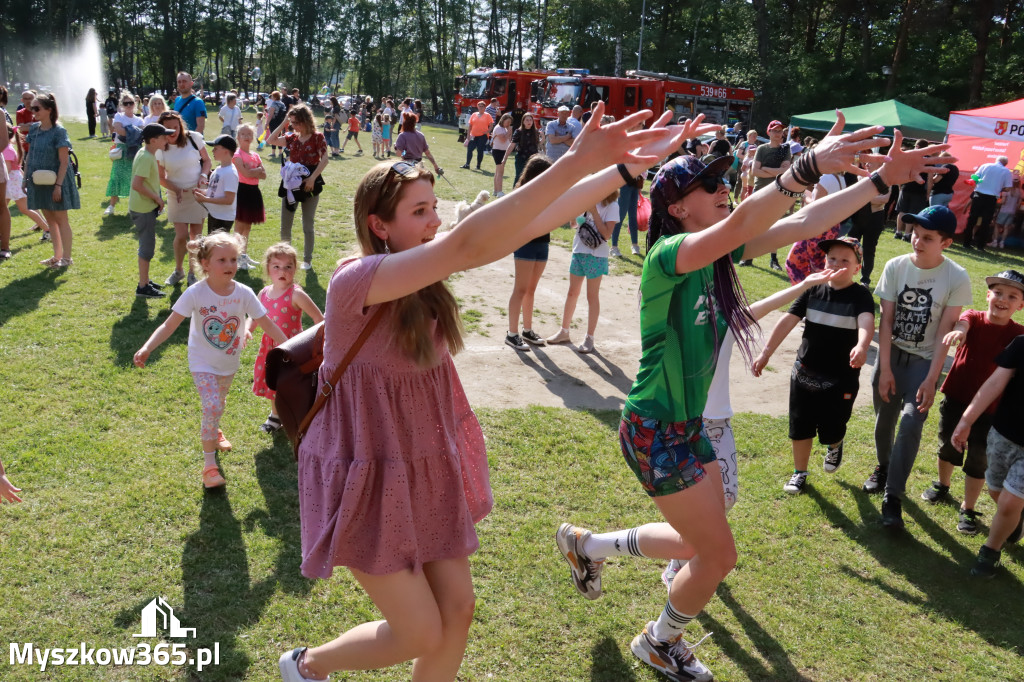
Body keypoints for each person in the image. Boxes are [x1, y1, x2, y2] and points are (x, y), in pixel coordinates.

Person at [274, 102, 691, 682]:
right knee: (421, 629)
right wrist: (574, 157)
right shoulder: (355, 282)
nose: (433, 221)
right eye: (419, 212)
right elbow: (469, 244)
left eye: (434, 208)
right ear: (379, 224)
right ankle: (306, 665)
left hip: (420, 463)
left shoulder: (421, 278)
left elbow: (529, 222)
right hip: (363, 469)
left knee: (459, 611)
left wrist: (620, 171)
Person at [553, 118, 948, 682]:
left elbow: (807, 219)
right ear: (678, 208)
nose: (722, 190)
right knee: (717, 555)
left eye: (723, 183)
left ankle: (589, 546)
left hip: (687, 427)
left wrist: (880, 182)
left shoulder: (717, 257)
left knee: (700, 542)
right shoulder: (669, 255)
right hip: (656, 428)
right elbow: (747, 217)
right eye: (707, 186)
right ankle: (659, 642)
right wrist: (804, 168)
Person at [661, 267, 843, 586]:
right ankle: (679, 560)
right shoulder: (675, 324)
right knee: (689, 499)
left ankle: (683, 551)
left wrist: (806, 284)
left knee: (726, 497)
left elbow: (769, 304)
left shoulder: (728, 321)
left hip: (718, 425)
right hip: (685, 425)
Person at [134, 232, 287, 486]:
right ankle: (209, 467)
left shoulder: (245, 293)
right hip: (201, 362)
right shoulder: (196, 293)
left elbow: (267, 323)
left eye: (234, 259)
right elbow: (169, 325)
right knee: (213, 404)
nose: (230, 266)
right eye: (222, 260)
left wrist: (289, 346)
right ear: (205, 264)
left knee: (219, 403)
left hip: (228, 363)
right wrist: (148, 347)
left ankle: (214, 430)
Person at [865, 205, 972, 529]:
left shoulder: (956, 276)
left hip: (924, 362)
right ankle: (883, 468)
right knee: (884, 422)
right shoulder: (896, 266)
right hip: (891, 357)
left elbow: (944, 331)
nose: (917, 241)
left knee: (911, 424)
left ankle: (892, 498)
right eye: (915, 234)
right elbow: (886, 324)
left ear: (946, 243)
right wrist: (884, 369)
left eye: (927, 237)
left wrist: (931, 378)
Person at [753, 237, 875, 493]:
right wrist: (766, 353)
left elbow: (866, 321)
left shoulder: (860, 295)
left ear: (856, 268)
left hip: (841, 376)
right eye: (832, 258)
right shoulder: (812, 289)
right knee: (801, 425)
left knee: (832, 428)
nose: (836, 264)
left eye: (845, 260)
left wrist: (862, 345)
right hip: (805, 371)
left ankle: (835, 443)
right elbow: (788, 320)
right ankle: (799, 473)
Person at [921, 270, 1024, 535]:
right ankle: (943, 486)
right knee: (948, 445)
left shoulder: (1018, 335)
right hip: (957, 398)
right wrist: (959, 332)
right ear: (988, 294)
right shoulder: (974, 318)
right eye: (998, 293)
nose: (1003, 299)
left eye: (1012, 296)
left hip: (991, 411)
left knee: (978, 459)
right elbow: (962, 324)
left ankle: (968, 507)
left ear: (1020, 305)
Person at [951, 333, 1024, 577]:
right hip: (1003, 435)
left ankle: (990, 551)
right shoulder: (1021, 344)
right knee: (996, 490)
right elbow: (994, 384)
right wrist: (966, 421)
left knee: (1009, 501)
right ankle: (1015, 517)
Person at [250, 242, 324, 434]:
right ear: (268, 269)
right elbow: (256, 316)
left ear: (295, 268)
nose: (282, 271)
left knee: (290, 384)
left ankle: (299, 415)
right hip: (269, 348)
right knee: (272, 382)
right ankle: (275, 416)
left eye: (288, 267)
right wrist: (247, 330)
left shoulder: (296, 294)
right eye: (276, 266)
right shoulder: (263, 293)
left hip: (290, 349)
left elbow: (319, 319)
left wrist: (314, 343)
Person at [544, 184, 620, 353]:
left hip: (596, 256)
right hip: (579, 251)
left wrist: (593, 212)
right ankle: (564, 331)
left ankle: (589, 337)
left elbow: (607, 234)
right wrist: (575, 211)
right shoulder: (586, 201)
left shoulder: (612, 205)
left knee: (591, 296)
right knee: (572, 292)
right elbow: (573, 225)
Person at [267, 103, 329, 270]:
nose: (294, 126)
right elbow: (270, 140)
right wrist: (283, 123)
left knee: (307, 225)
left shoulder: (317, 137)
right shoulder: (291, 137)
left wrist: (312, 178)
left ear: (306, 120)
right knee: (285, 225)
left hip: (310, 184)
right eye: (292, 122)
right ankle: (286, 260)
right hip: (291, 184)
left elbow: (324, 159)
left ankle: (307, 261)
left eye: (296, 122)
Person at [156, 110, 213, 287]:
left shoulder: (193, 138)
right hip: (176, 195)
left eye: (176, 127)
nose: (173, 132)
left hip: (197, 192)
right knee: (181, 236)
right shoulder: (160, 149)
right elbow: (161, 178)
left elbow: (207, 161)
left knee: (195, 236)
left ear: (180, 127)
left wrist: (203, 175)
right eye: (167, 129)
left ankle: (192, 273)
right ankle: (178, 270)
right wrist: (176, 189)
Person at [25, 93, 81, 269]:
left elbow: (64, 161)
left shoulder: (59, 131)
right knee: (50, 219)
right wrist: (25, 178)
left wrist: (58, 186)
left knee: (61, 219)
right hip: (38, 180)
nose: (32, 111)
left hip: (57, 181)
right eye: (31, 108)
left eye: (36, 108)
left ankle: (67, 258)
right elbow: (29, 155)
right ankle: (57, 256)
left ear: (49, 109)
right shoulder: (34, 129)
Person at [505, 156, 554, 351]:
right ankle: (512, 334)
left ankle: (527, 330)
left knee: (531, 290)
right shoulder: (522, 193)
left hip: (543, 243)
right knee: (521, 289)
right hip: (525, 244)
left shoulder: (548, 193)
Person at [129, 123, 174, 298]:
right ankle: (142, 286)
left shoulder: (145, 153)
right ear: (153, 140)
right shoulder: (146, 157)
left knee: (147, 245)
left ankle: (145, 280)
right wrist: (157, 198)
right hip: (143, 209)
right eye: (163, 137)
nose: (166, 140)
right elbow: (137, 184)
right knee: (147, 248)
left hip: (143, 207)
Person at [740, 119, 790, 270]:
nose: (778, 133)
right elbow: (755, 171)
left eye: (780, 131)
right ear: (768, 132)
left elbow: (786, 171)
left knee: (774, 227)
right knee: (754, 224)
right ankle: (748, 257)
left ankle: (773, 260)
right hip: (760, 190)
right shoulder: (761, 149)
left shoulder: (785, 149)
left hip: (777, 191)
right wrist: (776, 171)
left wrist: (766, 169)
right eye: (775, 130)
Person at [784, 171, 846, 284]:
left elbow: (815, 205)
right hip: (831, 227)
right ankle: (814, 293)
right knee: (818, 265)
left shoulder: (826, 178)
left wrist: (802, 195)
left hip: (818, 227)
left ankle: (804, 292)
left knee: (794, 262)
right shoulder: (840, 178)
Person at [5, 126, 50, 238]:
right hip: (12, 182)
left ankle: (48, 230)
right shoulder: (8, 148)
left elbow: (7, 170)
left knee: (24, 209)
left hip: (11, 183)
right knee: (2, 209)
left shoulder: (6, 150)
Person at [232, 124, 267, 269]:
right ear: (238, 137)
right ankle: (236, 256)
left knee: (248, 226)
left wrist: (254, 170)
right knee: (239, 225)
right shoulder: (237, 155)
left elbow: (264, 175)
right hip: (242, 191)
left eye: (249, 134)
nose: (247, 137)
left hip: (254, 191)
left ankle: (243, 255)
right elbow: (245, 174)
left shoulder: (255, 155)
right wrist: (256, 170)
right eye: (243, 134)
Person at [104, 92, 144, 216]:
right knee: (117, 176)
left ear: (135, 104)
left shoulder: (139, 119)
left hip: (135, 149)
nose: (128, 105)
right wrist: (134, 131)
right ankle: (111, 205)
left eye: (131, 103)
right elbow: (118, 130)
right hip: (122, 149)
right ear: (122, 105)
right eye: (126, 103)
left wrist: (127, 131)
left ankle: (132, 206)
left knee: (135, 177)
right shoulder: (119, 116)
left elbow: (141, 133)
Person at [962, 155, 1014, 250]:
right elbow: (1008, 188)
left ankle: (966, 243)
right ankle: (980, 246)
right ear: (1005, 164)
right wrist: (999, 188)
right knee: (986, 223)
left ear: (996, 160)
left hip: (978, 195)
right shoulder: (1006, 171)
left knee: (972, 220)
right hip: (991, 198)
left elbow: (975, 178)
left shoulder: (985, 165)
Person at [194, 134, 239, 233]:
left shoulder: (230, 173)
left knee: (216, 246)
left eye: (216, 149)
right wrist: (202, 192)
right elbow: (215, 192)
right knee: (212, 245)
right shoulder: (218, 169)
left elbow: (229, 200)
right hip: (215, 214)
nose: (213, 151)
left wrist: (205, 199)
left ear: (226, 151)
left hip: (223, 218)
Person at [893, 140, 931, 241]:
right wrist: (928, 192)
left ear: (917, 146)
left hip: (906, 187)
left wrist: (900, 186)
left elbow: (902, 171)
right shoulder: (929, 160)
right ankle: (907, 234)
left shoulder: (909, 156)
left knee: (902, 211)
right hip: (919, 190)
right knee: (912, 213)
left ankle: (898, 232)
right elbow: (930, 178)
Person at [503, 112, 541, 186]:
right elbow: (512, 145)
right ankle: (514, 193)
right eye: (527, 120)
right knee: (519, 177)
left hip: (533, 159)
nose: (529, 122)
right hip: (521, 157)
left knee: (532, 177)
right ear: (523, 121)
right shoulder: (519, 132)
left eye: (530, 120)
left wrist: (542, 138)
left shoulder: (536, 132)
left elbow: (538, 144)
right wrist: (505, 157)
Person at [988, 175, 1021, 249]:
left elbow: (1003, 202)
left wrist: (995, 203)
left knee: (997, 225)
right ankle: (1002, 243)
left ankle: (995, 242)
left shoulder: (1006, 191)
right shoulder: (1019, 191)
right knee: (1006, 227)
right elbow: (1018, 204)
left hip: (1004, 210)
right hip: (1012, 212)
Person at [461, 101, 492, 170]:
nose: (480, 107)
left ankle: (478, 165)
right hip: (473, 135)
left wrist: (487, 131)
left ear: (484, 107)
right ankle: (467, 164)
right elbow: (470, 126)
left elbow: (491, 125)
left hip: (482, 136)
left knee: (480, 150)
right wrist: (468, 135)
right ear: (477, 107)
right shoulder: (474, 114)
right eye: (479, 106)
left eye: (482, 106)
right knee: (469, 149)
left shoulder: (487, 115)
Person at [491, 113, 513, 197]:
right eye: (507, 122)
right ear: (503, 120)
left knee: (498, 171)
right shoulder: (498, 128)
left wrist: (509, 132)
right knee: (500, 172)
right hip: (498, 151)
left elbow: (509, 140)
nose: (508, 124)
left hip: (503, 151)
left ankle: (496, 191)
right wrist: (509, 131)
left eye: (510, 122)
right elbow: (503, 139)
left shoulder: (505, 128)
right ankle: (499, 191)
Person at [266, 91, 287, 159]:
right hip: (280, 122)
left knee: (273, 136)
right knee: (279, 136)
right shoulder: (282, 104)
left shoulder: (274, 104)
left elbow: (271, 115)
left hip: (273, 122)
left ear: (275, 97)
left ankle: (273, 152)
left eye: (272, 95)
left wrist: (267, 123)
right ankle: (280, 152)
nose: (271, 97)